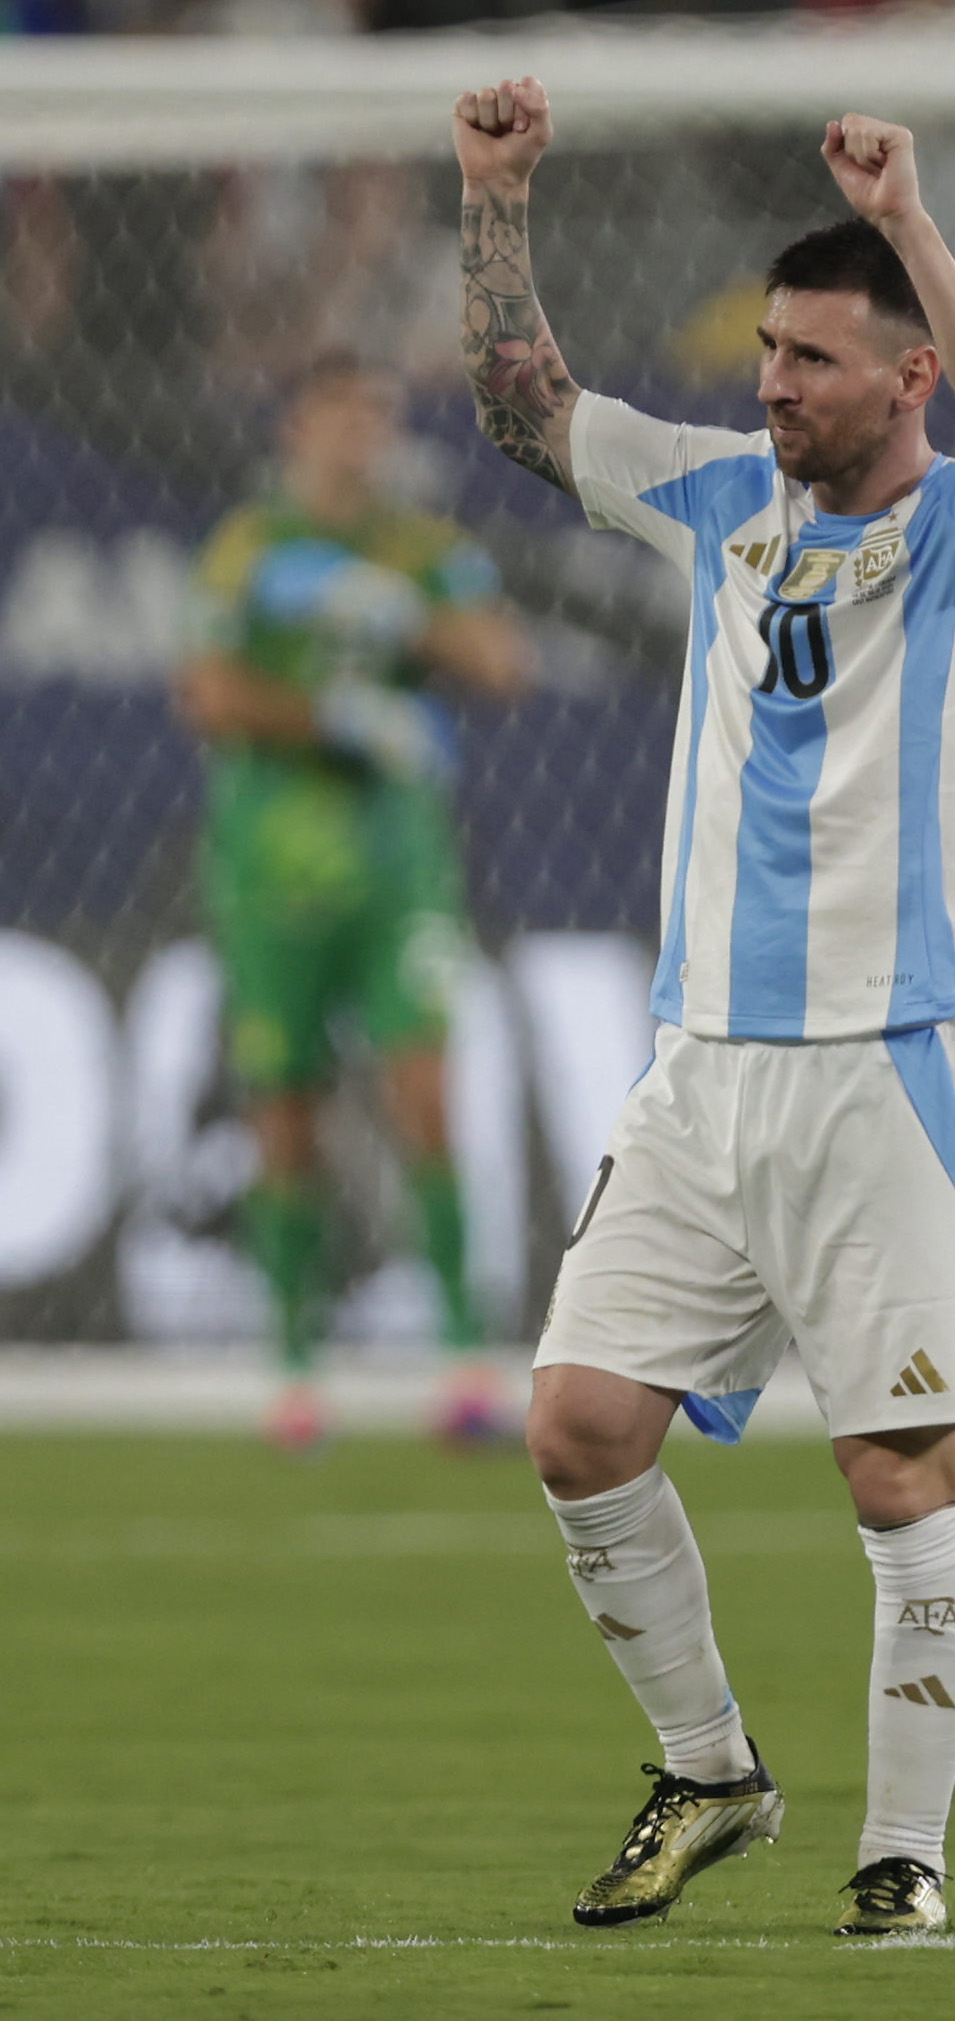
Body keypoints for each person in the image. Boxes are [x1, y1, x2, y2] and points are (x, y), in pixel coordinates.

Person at [452, 80, 955, 1934]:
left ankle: (905, 1861)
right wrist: (494, 197)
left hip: (883, 1068)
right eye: (766, 352)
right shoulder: (712, 497)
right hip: (697, 1072)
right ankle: (712, 1765)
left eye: (810, 358)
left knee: (899, 1465)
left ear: (908, 382)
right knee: (575, 1425)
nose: (773, 383)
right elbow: (519, 404)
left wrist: (909, 229)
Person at [176, 354, 530, 1452]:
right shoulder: (248, 548)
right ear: (296, 426)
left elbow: (500, 660)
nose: (358, 438)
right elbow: (208, 692)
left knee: (425, 1091)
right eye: (339, 417)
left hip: (397, 865)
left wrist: (397, 617)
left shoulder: (419, 550)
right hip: (271, 867)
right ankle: (293, 1364)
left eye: (374, 419)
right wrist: (334, 715)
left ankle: (465, 1359)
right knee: (286, 1108)